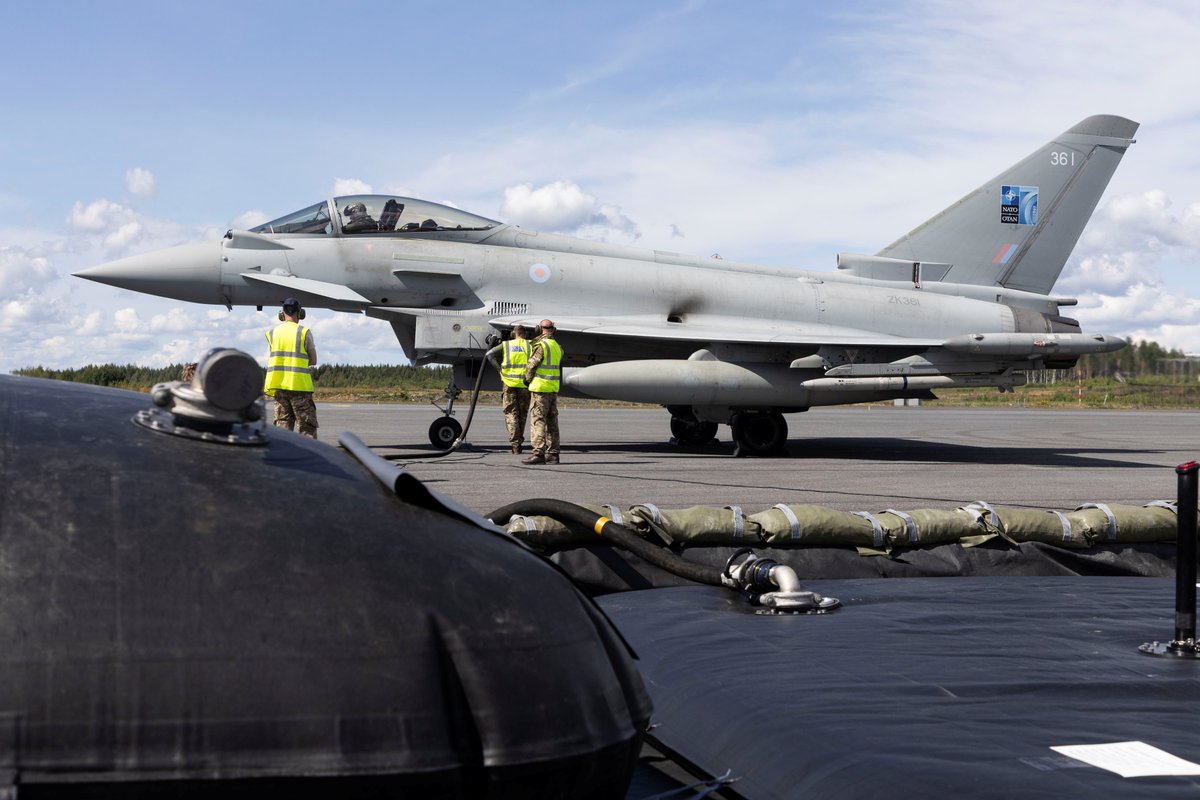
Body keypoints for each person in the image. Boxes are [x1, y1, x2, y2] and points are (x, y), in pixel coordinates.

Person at [263, 298, 319, 438]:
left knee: (282, 427)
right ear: (300, 313)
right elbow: (313, 360)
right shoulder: (303, 332)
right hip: (299, 386)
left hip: (279, 386)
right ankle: (308, 457)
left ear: (281, 314)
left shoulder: (272, 333)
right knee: (307, 427)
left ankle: (283, 457)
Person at [485, 325, 532, 454]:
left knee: (511, 413)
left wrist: (500, 369)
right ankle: (519, 441)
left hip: (509, 383)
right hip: (525, 384)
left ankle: (515, 444)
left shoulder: (506, 345)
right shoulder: (531, 345)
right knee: (522, 414)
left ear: (513, 334)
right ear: (525, 334)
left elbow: (489, 354)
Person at [522, 319, 563, 465]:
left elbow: (532, 364)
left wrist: (526, 379)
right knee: (552, 422)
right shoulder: (557, 346)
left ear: (539, 329)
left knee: (538, 421)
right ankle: (553, 453)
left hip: (540, 389)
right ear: (553, 329)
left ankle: (538, 453)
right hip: (552, 388)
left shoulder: (542, 345)